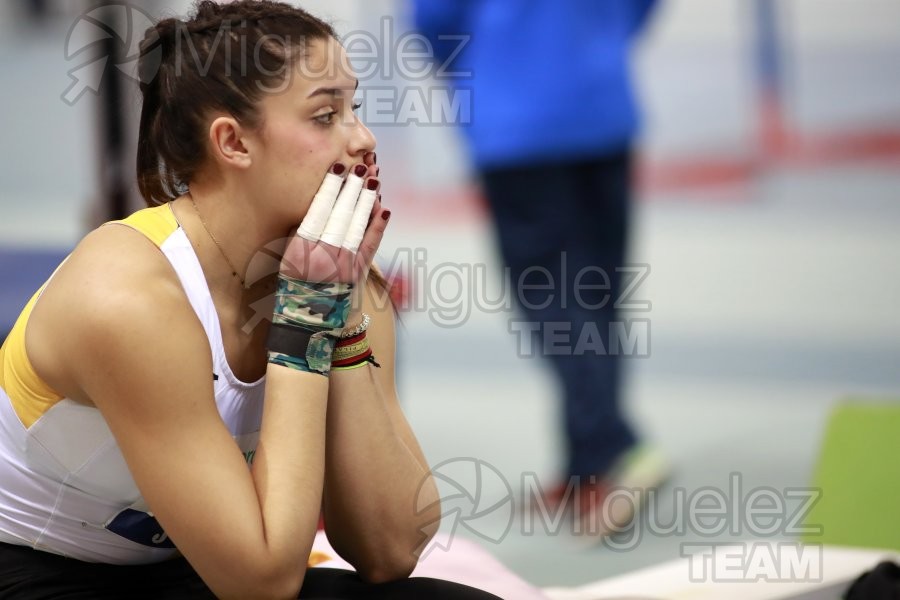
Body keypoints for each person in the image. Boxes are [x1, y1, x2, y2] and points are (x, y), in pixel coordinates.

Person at [0, 1, 501, 598]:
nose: (363, 139)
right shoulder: (127, 298)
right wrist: (302, 323)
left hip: (195, 564)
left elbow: (389, 549)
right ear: (233, 142)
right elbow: (262, 584)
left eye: (355, 109)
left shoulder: (339, 279)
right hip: (39, 572)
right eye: (325, 116)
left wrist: (331, 321)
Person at [412, 0, 668, 534]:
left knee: (554, 302)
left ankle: (611, 450)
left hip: (519, 124)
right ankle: (586, 466)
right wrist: (599, 41)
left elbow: (434, 21)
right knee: (596, 296)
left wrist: (487, 66)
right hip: (601, 107)